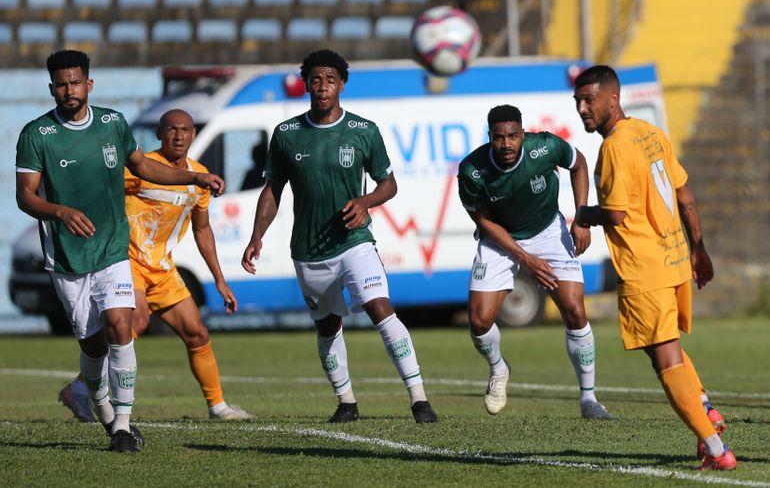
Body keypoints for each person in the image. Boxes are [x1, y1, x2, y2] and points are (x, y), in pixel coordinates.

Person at [15, 50, 224, 452]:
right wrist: (58, 210)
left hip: (113, 249)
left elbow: (145, 167)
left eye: (76, 82)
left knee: (122, 327)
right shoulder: (35, 135)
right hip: (68, 258)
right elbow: (25, 197)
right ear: (51, 88)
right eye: (61, 84)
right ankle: (107, 416)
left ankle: (124, 426)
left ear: (89, 84)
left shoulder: (112, 124)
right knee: (92, 347)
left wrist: (194, 177)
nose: (69, 90)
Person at [240, 49, 437, 424]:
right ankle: (346, 402)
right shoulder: (287, 135)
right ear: (306, 84)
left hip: (355, 242)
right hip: (309, 250)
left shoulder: (364, 131)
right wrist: (256, 237)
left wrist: (365, 202)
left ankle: (419, 399)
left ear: (342, 84)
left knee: (381, 309)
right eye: (316, 79)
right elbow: (272, 191)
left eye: (330, 80)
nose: (323, 87)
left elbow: (388, 183)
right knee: (328, 326)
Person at [573, 65, 737, 471]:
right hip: (675, 259)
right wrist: (698, 248)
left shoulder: (614, 147)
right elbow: (685, 195)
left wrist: (582, 215)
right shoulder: (650, 132)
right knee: (662, 347)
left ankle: (716, 450)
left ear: (613, 99)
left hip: (645, 268)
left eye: (589, 100)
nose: (581, 109)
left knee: (666, 361)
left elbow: (614, 214)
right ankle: (707, 409)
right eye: (577, 101)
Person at [58, 109, 252, 423]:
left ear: (193, 134)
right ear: (160, 134)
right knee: (137, 322)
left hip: (161, 269)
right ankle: (83, 389)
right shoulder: (141, 167)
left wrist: (219, 280)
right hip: (127, 260)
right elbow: (101, 194)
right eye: (171, 129)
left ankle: (218, 407)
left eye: (185, 129)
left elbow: (202, 229)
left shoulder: (199, 175)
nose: (178, 135)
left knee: (197, 333)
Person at [457, 104, 612, 419]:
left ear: (522, 134)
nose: (506, 144)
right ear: (490, 137)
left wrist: (581, 217)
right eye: (499, 138)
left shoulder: (544, 147)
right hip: (500, 240)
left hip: (548, 232)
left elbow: (579, 163)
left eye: (513, 136)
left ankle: (589, 400)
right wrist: (526, 258)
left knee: (574, 308)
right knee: (479, 321)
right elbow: (483, 221)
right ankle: (499, 368)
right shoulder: (472, 170)